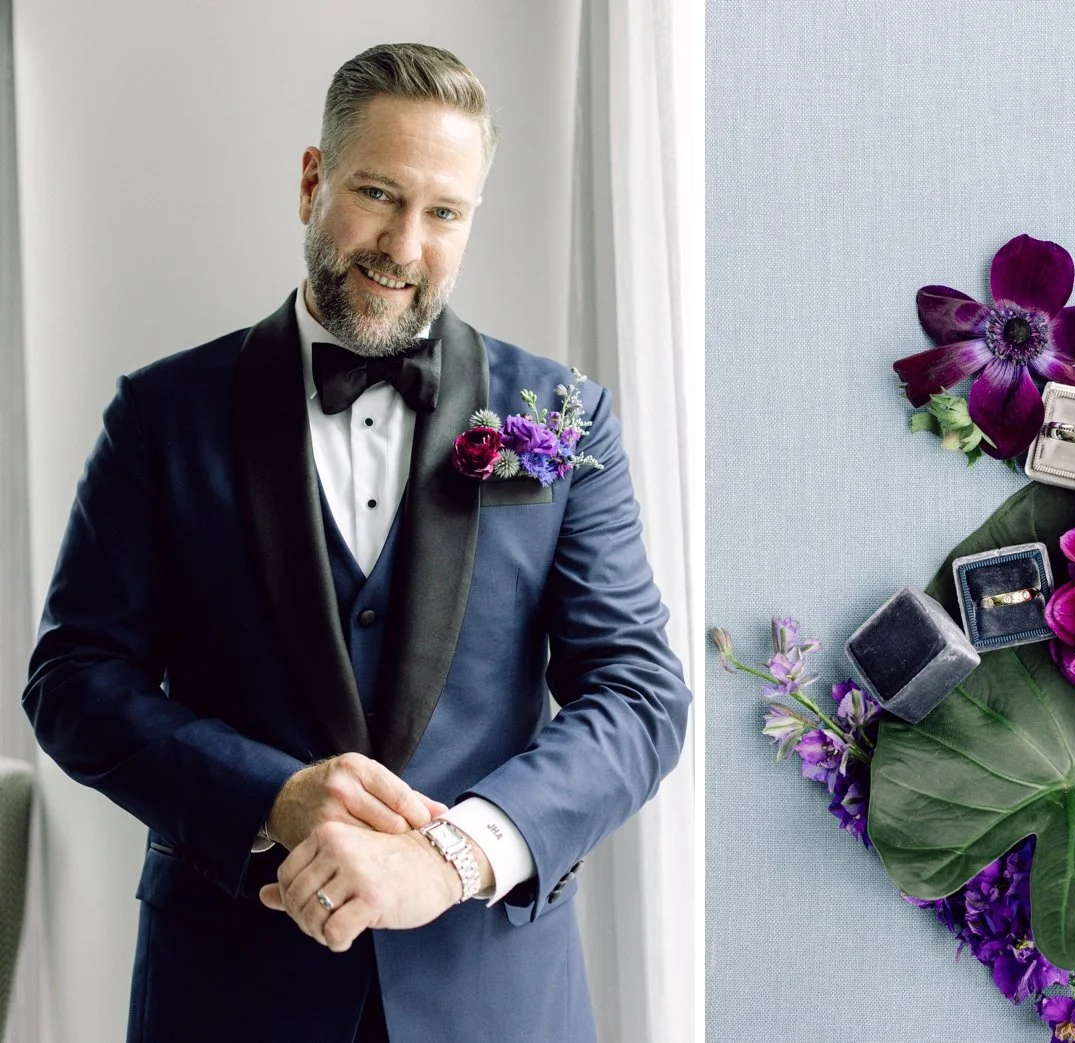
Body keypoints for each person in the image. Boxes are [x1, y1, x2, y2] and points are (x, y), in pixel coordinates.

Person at [21, 42, 690, 1043]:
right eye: (378, 194)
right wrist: (275, 796)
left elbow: (637, 692)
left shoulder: (564, 416)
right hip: (230, 994)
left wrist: (454, 854)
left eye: (443, 213)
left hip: (492, 996)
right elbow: (73, 678)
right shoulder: (162, 416)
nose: (403, 246)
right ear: (312, 180)